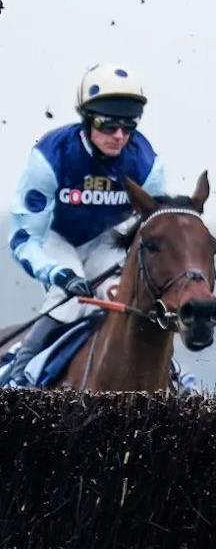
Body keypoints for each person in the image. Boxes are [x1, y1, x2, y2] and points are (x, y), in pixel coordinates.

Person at [1, 63, 165, 386]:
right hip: (56, 239)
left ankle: (173, 375)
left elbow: (156, 230)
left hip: (107, 243)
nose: (119, 136)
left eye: (128, 126)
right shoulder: (52, 155)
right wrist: (55, 272)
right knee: (72, 300)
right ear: (88, 120)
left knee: (122, 299)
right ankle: (17, 380)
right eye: (108, 125)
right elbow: (23, 237)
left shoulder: (146, 163)